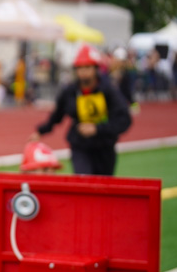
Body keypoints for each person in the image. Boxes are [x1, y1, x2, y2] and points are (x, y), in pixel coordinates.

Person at [30, 44, 132, 176]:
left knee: (103, 188)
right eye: (80, 68)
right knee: (84, 181)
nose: (83, 71)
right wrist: (41, 131)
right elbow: (57, 115)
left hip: (104, 147)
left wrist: (97, 128)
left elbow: (124, 119)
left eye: (88, 67)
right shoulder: (70, 91)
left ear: (96, 68)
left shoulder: (109, 91)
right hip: (80, 146)